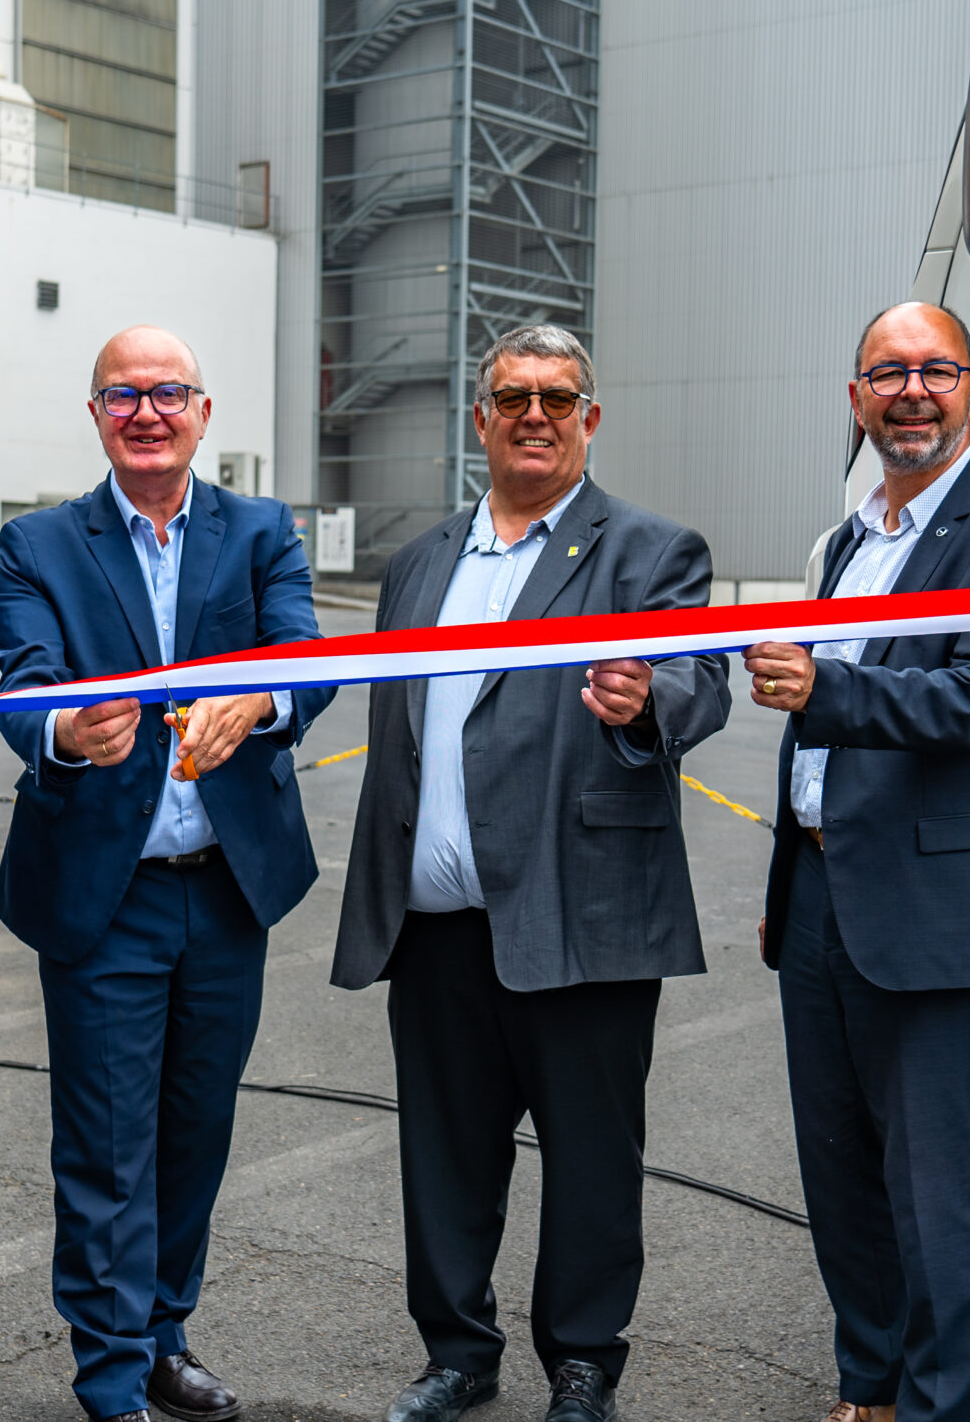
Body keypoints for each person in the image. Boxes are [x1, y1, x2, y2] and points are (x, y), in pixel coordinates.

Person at [333, 323, 729, 1422]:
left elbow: (699, 679)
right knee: (444, 1155)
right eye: (514, 397)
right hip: (436, 925)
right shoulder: (420, 563)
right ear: (482, 419)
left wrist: (648, 702)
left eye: (558, 398)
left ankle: (584, 1361)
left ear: (589, 419)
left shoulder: (649, 552)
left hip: (583, 916)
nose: (535, 416)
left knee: (593, 1159)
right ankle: (457, 1353)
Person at [0, 325, 335, 1422]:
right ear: (96, 414)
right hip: (107, 891)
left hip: (228, 889)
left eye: (168, 393)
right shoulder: (39, 543)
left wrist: (262, 698)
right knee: (105, 1143)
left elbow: (306, 658)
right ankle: (108, 1373)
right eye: (123, 394)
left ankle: (161, 1334)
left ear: (203, 412)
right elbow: (24, 684)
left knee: (196, 1130)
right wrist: (66, 728)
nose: (147, 412)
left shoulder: (260, 531)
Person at [746, 302, 970, 1422]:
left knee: (934, 1198)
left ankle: (939, 1411)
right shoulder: (849, 543)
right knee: (839, 1174)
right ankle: (871, 1392)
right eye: (887, 374)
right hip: (818, 893)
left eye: (936, 370)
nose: (912, 392)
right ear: (857, 400)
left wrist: (824, 687)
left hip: (933, 904)